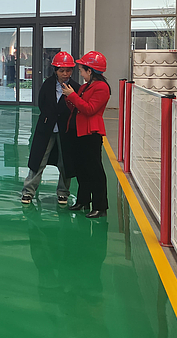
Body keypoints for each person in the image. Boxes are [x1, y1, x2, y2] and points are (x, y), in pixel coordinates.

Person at [20, 51, 80, 206]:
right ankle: (28, 191)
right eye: (62, 70)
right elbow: (42, 103)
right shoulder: (47, 84)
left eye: (68, 70)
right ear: (55, 70)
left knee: (65, 162)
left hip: (66, 131)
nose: (65, 74)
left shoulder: (76, 88)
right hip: (46, 129)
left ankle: (63, 193)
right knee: (38, 160)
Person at [62, 51, 111, 218]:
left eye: (82, 70)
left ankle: (100, 206)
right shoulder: (85, 87)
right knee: (82, 169)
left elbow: (90, 109)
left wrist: (72, 96)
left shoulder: (102, 88)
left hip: (91, 133)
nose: (81, 74)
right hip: (78, 131)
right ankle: (83, 200)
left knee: (94, 170)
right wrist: (69, 97)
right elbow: (77, 106)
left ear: (90, 70)